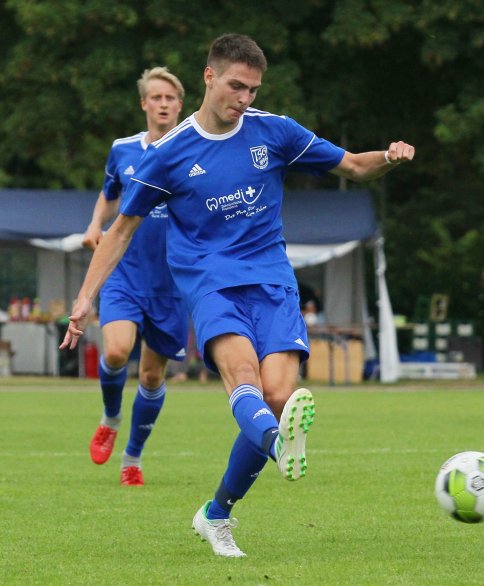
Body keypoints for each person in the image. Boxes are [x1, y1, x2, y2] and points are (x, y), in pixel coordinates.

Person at [60, 34, 415, 556]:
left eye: (252, 89)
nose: (244, 98)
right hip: (209, 282)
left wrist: (389, 154)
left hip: (273, 281)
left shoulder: (274, 132)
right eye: (235, 86)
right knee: (244, 379)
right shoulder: (168, 154)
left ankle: (216, 513)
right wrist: (86, 296)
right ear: (209, 77)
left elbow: (356, 167)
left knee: (277, 395)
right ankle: (277, 445)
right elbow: (120, 230)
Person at [81, 67, 189, 486]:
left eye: (170, 98)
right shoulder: (123, 150)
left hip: (173, 284)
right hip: (125, 273)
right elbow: (110, 194)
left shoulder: (194, 150)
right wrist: (95, 225)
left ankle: (133, 457)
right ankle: (110, 416)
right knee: (114, 353)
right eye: (156, 97)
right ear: (144, 103)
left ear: (180, 105)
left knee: (150, 377)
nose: (163, 104)